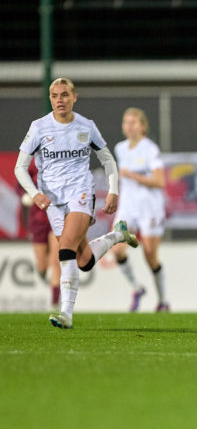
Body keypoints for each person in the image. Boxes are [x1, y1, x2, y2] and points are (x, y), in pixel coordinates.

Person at [14, 77, 139, 329]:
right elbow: (20, 167)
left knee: (66, 249)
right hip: (52, 201)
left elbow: (108, 160)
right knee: (84, 260)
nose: (59, 100)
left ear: (74, 97)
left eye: (64, 95)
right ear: (50, 99)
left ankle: (66, 314)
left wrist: (113, 191)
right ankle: (118, 236)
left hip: (80, 192)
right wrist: (35, 192)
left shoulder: (86, 126)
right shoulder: (39, 128)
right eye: (54, 95)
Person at [112, 107, 169, 312]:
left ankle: (163, 301)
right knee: (117, 250)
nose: (129, 125)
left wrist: (132, 175)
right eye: (126, 122)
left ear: (143, 126)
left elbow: (160, 180)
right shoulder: (120, 148)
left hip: (149, 208)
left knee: (150, 255)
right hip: (128, 207)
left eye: (133, 122)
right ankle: (137, 288)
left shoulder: (150, 149)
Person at [19, 159, 61, 311]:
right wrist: (28, 194)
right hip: (38, 218)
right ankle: (42, 270)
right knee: (42, 265)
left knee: (56, 260)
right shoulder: (32, 161)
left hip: (56, 214)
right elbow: (20, 182)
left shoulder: (61, 157)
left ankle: (55, 303)